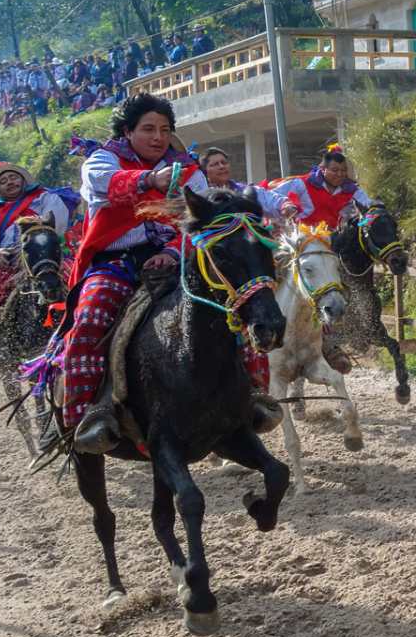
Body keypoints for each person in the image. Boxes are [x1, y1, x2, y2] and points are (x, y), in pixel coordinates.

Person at [25, 94, 278, 455]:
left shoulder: (188, 170)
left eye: (164, 129)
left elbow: (204, 223)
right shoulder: (102, 159)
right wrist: (149, 181)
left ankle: (252, 395)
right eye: (147, 129)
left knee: (234, 304)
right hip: (115, 262)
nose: (158, 136)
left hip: (174, 259)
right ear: (127, 131)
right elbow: (109, 184)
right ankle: (86, 415)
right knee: (89, 318)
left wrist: (171, 252)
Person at [0, 161, 77, 342]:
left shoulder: (46, 198)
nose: (9, 182)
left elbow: (57, 223)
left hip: (48, 256)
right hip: (8, 263)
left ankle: (80, 330)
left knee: (76, 278)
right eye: (3, 181)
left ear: (23, 180)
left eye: (13, 177)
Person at [275, 143, 378, 228]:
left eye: (343, 170)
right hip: (306, 241)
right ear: (323, 169)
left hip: (337, 241)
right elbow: (275, 196)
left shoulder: (352, 190)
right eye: (335, 170)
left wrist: (359, 225)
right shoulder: (302, 183)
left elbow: (371, 211)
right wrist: (286, 208)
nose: (340, 174)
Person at [201, 146, 294, 220]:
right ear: (205, 171)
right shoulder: (201, 199)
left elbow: (268, 199)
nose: (222, 166)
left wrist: (285, 205)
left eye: (224, 162)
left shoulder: (245, 191)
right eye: (215, 164)